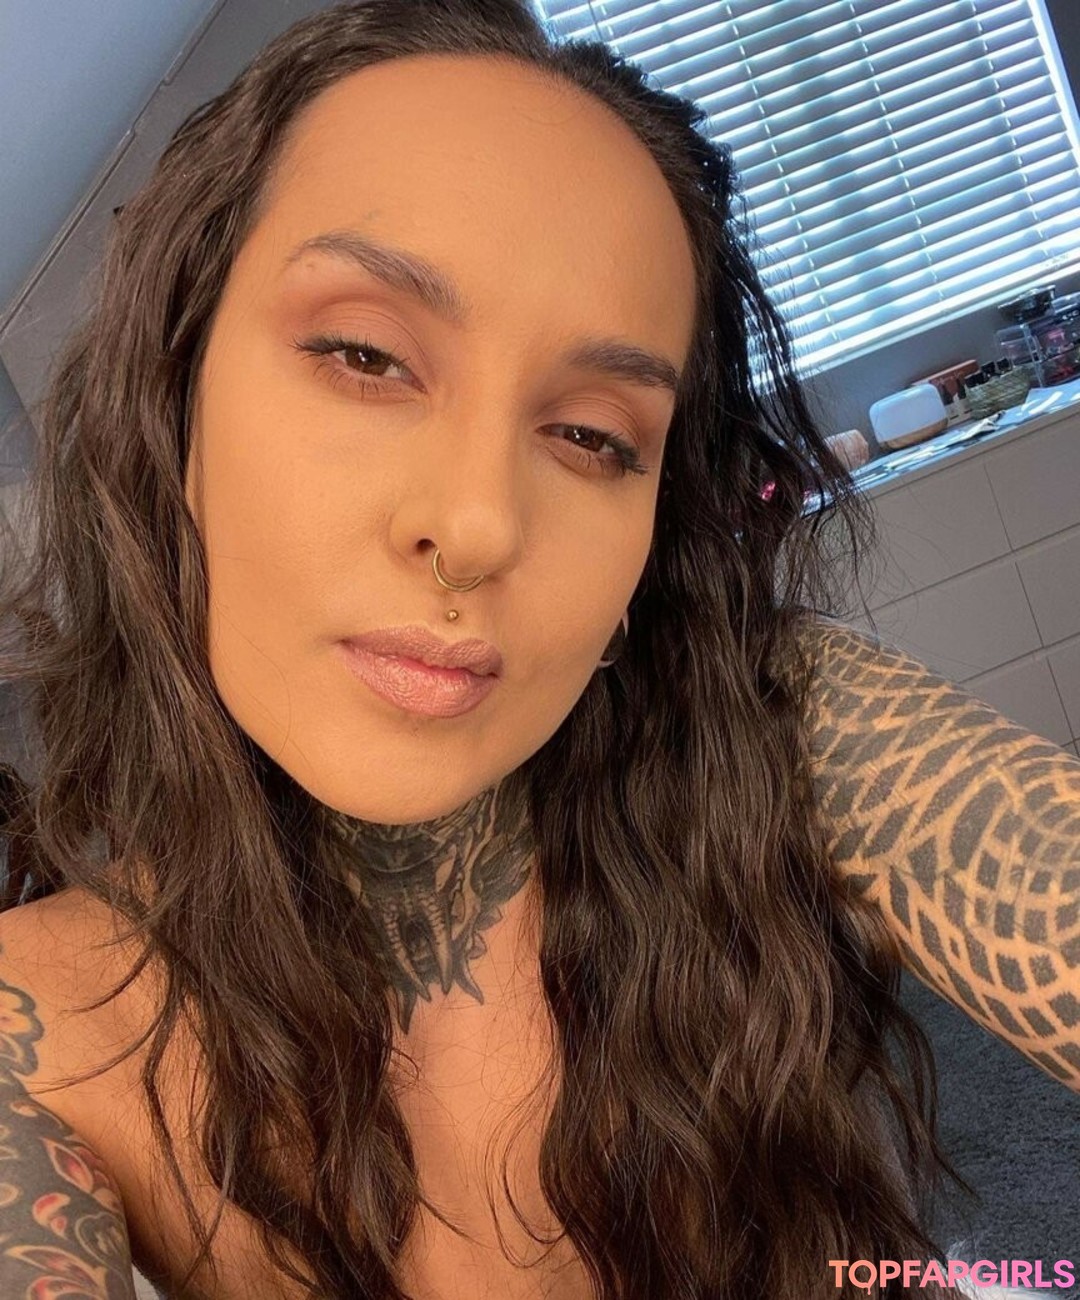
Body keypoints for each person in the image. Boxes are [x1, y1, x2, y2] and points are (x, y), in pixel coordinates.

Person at [0, 2, 1075, 1297]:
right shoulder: (27, 1033)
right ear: (176, 414)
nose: (480, 525)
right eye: (366, 355)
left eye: (590, 437)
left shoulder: (776, 732)